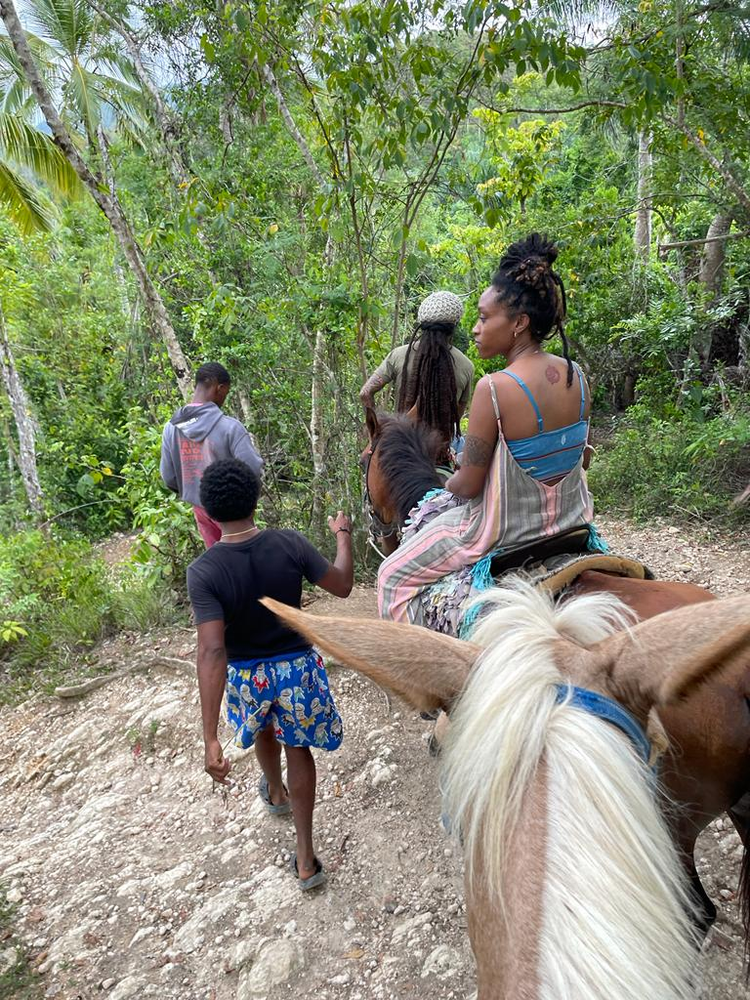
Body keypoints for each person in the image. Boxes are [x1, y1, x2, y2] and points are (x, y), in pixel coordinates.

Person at [378, 233, 597, 629]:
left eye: (483, 317)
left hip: (503, 534)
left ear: (519, 323)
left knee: (391, 576)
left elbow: (468, 486)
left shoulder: (494, 388)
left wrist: (442, 489)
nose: (476, 329)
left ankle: (424, 680)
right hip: (573, 523)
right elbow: (580, 457)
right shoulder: (578, 377)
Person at [187, 458, 353, 891]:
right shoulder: (289, 544)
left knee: (262, 730)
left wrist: (210, 737)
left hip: (247, 676)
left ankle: (275, 793)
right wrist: (343, 536)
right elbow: (342, 585)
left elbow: (212, 649)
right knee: (298, 748)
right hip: (297, 668)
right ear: (256, 498)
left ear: (207, 512)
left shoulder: (204, 572)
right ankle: (304, 858)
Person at [359, 290, 475, 462]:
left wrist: (375, 433)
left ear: (421, 324)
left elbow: (365, 393)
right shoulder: (466, 365)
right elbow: (455, 418)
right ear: (454, 326)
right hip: (438, 455)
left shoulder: (399, 355)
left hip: (401, 450)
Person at [160, 362, 263, 548]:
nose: (225, 397)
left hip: (201, 509)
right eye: (226, 392)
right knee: (244, 562)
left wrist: (193, 492)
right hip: (235, 513)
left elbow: (168, 477)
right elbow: (253, 469)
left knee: (218, 564)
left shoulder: (171, 428)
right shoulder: (230, 428)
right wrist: (248, 505)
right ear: (220, 388)